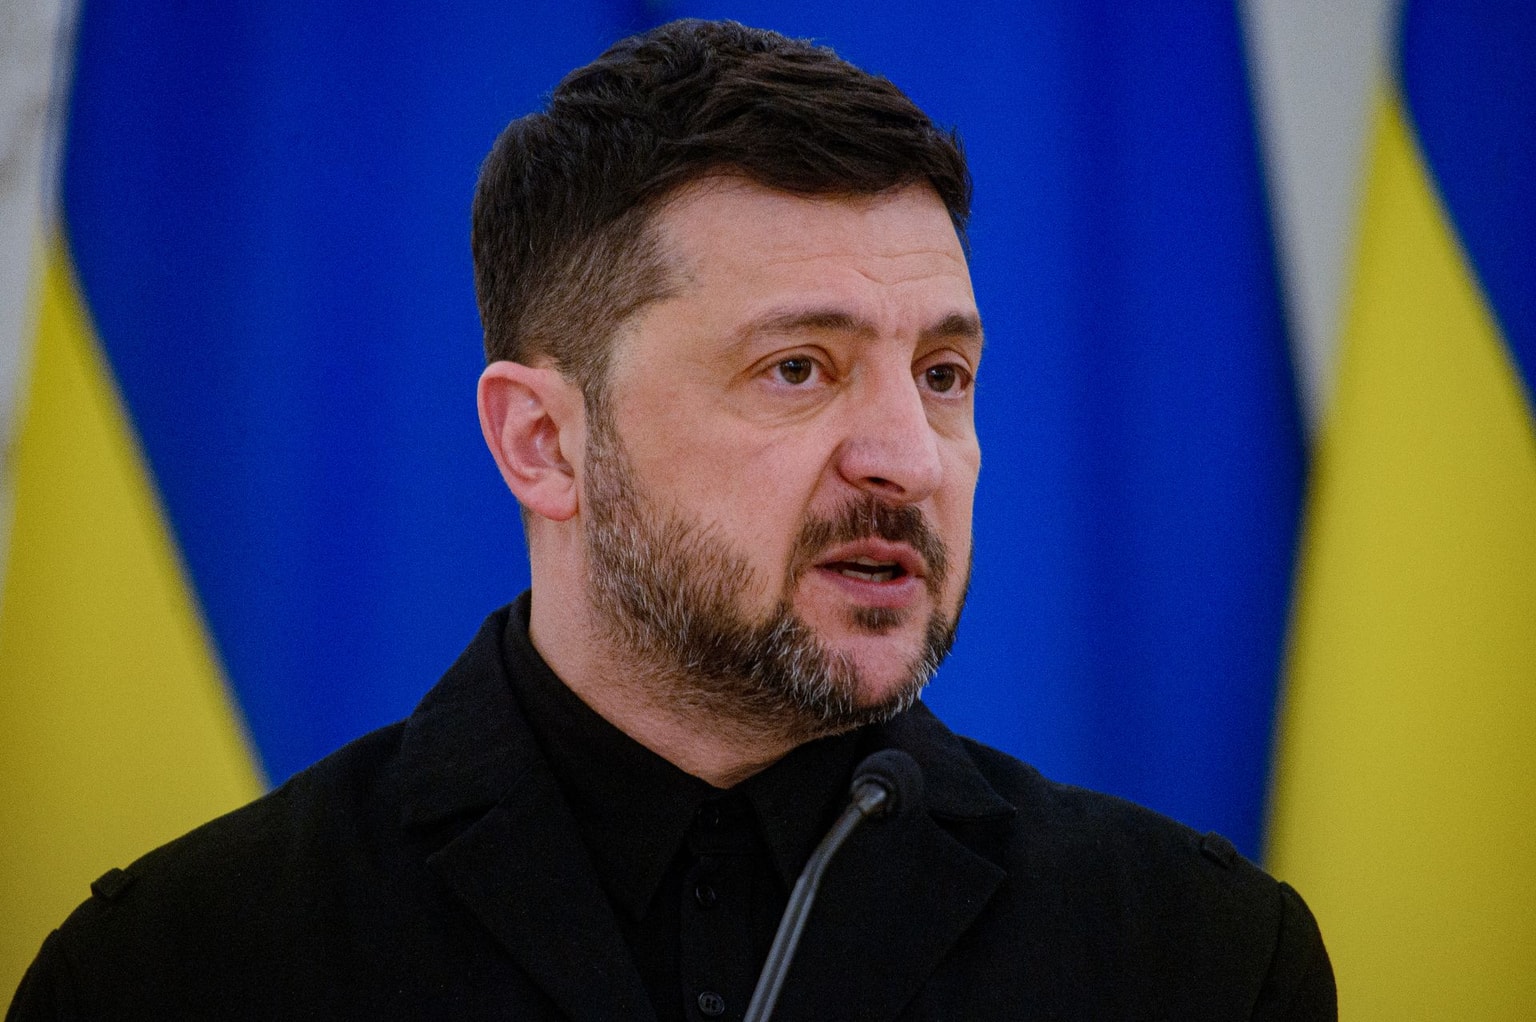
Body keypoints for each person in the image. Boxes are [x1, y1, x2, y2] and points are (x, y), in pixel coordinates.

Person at [7, 19, 1334, 1021]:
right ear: (545, 440)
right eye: (797, 369)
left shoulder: (1200, 962)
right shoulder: (177, 973)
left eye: (942, 374)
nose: (905, 457)